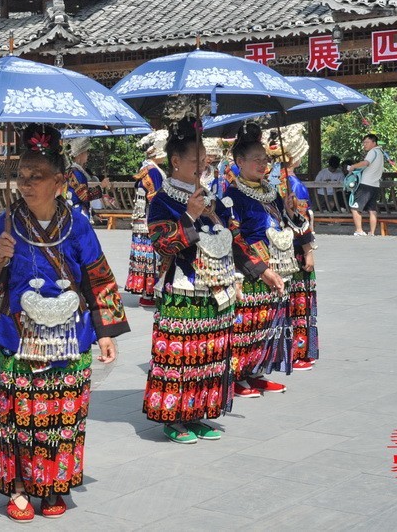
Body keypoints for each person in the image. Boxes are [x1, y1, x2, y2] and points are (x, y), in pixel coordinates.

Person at [0, 124, 128, 522]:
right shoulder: (3, 225)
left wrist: (106, 333)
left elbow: (99, 278)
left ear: (60, 181)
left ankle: (54, 485)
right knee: (19, 416)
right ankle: (20, 487)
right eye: (22, 176)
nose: (26, 184)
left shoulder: (78, 226)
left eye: (36, 177)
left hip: (71, 338)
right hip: (18, 338)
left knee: (62, 414)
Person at [144, 119, 238, 444]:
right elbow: (162, 242)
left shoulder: (209, 195)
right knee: (181, 355)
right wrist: (189, 216)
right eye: (196, 160)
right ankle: (175, 418)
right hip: (182, 287)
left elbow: (227, 233)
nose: (204, 164)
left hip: (213, 286)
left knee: (206, 355)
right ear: (176, 162)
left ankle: (198, 412)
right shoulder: (162, 200)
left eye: (205, 158)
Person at [215, 124, 313, 398]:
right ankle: (236, 375)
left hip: (278, 264)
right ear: (240, 162)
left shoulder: (272, 190)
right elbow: (233, 238)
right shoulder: (231, 196)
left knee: (269, 323)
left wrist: (295, 219)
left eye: (265, 158)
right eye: (255, 159)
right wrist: (257, 268)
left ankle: (256, 371)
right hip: (249, 268)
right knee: (246, 324)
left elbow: (288, 223)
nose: (262, 163)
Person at [266, 128, 319, 372]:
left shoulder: (271, 180)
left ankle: (287, 351)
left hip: (276, 250)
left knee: (286, 302)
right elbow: (301, 221)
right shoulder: (293, 184)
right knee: (298, 302)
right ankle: (297, 352)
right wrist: (309, 250)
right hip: (295, 251)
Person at [126, 131, 167, 307]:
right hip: (149, 218)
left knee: (145, 256)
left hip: (142, 218)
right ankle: (149, 294)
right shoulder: (153, 171)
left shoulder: (147, 167)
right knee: (151, 255)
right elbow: (157, 197)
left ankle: (146, 293)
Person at [347, 134, 385, 236]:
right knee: (372, 209)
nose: (365, 145)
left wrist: (353, 166)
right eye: (364, 142)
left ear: (374, 143)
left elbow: (366, 163)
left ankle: (359, 230)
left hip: (366, 184)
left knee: (355, 207)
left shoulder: (373, 152)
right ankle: (371, 232)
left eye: (367, 142)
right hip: (375, 185)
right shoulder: (380, 152)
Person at [66, 137, 111, 220]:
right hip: (77, 214)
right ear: (80, 155)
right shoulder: (76, 173)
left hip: (76, 211)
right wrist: (101, 186)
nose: (88, 155)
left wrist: (92, 213)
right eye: (86, 152)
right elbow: (84, 196)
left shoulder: (74, 172)